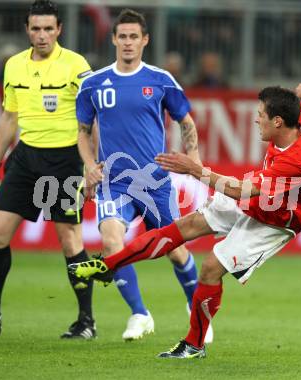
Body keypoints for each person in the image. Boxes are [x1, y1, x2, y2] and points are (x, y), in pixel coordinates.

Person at [70, 82, 301, 358]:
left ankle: (194, 345)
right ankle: (109, 265)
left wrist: (194, 169)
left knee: (211, 268)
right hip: (260, 195)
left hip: (278, 218)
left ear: (278, 121)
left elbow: (239, 190)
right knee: (186, 226)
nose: (256, 118)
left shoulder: (298, 161)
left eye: (261, 114)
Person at [76, 9, 212, 343]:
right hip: (114, 182)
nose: (127, 42)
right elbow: (82, 130)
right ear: (113, 39)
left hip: (155, 182)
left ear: (145, 40)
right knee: (111, 241)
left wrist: (192, 157)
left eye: (133, 36)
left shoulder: (161, 79)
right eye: (121, 36)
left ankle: (196, 312)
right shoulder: (93, 83)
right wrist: (89, 165)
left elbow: (187, 122)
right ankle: (139, 313)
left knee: (176, 250)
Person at [0, 0, 96, 338]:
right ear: (27, 30)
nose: (42, 35)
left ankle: (86, 320)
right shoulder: (13, 66)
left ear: (59, 30)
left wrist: (91, 165)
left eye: (48, 29)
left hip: (65, 160)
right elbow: (9, 117)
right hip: (26, 157)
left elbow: (92, 119)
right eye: (36, 29)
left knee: (69, 240)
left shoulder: (76, 66)